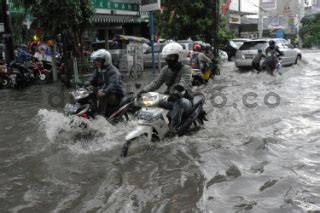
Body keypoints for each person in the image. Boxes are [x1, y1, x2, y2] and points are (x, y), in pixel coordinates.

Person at [137, 42, 193, 133]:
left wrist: (177, 93)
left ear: (179, 56)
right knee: (147, 99)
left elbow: (184, 82)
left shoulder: (186, 69)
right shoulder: (165, 69)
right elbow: (156, 83)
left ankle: (173, 128)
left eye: (172, 57)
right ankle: (153, 124)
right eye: (167, 57)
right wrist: (143, 91)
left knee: (180, 102)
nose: (169, 59)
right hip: (170, 98)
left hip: (185, 100)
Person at [89, 49, 124, 117]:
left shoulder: (113, 71)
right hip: (105, 91)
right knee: (90, 94)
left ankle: (100, 117)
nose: (97, 63)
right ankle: (92, 112)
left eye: (99, 60)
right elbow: (92, 79)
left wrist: (105, 91)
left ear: (105, 60)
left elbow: (113, 84)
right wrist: (85, 84)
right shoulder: (99, 70)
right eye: (96, 61)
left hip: (115, 95)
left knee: (103, 96)